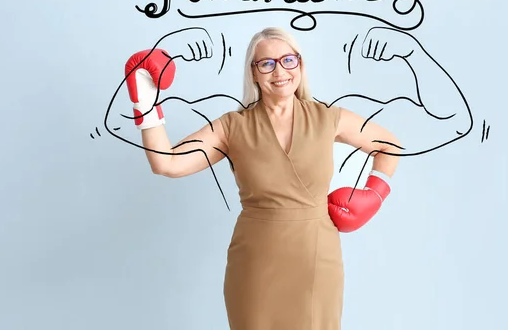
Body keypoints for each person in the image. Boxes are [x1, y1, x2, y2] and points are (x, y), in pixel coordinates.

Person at [123, 27, 401, 329]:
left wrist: (375, 194)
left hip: (318, 262)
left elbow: (390, 146)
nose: (279, 70)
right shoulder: (232, 126)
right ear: (253, 73)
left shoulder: (328, 118)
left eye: (288, 60)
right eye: (266, 63)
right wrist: (146, 101)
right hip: (256, 263)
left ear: (300, 65)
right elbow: (166, 163)